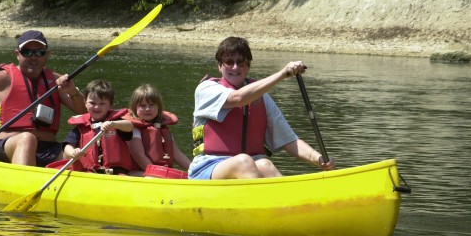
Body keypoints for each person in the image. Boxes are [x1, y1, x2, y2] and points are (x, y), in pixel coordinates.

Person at [189, 36, 335, 180]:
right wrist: (283, 74)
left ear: (248, 66)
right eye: (229, 62)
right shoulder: (206, 89)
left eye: (241, 62)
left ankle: (287, 202)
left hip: (251, 165)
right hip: (209, 167)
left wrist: (318, 158)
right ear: (220, 66)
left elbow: (288, 140)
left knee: (266, 164)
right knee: (244, 162)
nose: (235, 67)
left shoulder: (262, 98)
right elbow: (238, 98)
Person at [0, 30, 86, 166]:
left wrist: (73, 92)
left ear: (47, 54)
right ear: (17, 54)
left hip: (48, 149)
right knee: (27, 139)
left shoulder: (57, 82)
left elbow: (85, 113)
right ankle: (26, 183)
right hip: (4, 147)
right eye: (27, 52)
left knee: (78, 153)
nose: (33, 57)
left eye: (39, 52)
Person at [62, 79, 135, 175]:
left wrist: (113, 124)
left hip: (117, 173)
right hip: (90, 173)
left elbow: (130, 126)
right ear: (85, 102)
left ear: (110, 105)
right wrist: (73, 152)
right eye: (92, 103)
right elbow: (67, 145)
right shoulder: (81, 127)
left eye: (102, 104)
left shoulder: (116, 122)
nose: (96, 107)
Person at [125, 84, 192, 175]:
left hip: (160, 172)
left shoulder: (162, 128)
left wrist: (193, 170)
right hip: (138, 173)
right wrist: (155, 174)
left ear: (158, 107)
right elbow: (139, 155)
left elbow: (177, 155)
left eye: (152, 105)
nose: (147, 109)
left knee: (189, 174)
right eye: (142, 106)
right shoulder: (134, 129)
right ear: (134, 108)